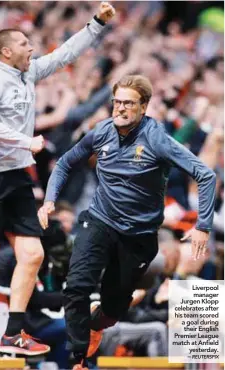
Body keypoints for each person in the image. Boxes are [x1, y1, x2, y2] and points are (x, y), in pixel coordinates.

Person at [0, 3, 116, 369]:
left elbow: (65, 53)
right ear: (6, 51)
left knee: (33, 255)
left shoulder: (28, 73)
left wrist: (97, 24)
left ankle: (14, 332)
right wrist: (26, 142)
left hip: (18, 178)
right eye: (24, 43)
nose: (31, 47)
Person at [38, 74, 216, 370]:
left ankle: (97, 324)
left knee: (115, 306)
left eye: (128, 104)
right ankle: (80, 358)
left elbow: (206, 175)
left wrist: (202, 226)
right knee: (77, 286)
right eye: (117, 102)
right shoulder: (101, 131)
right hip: (99, 221)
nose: (120, 109)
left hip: (139, 235)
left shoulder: (157, 139)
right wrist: (48, 200)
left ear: (144, 107)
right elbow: (66, 163)